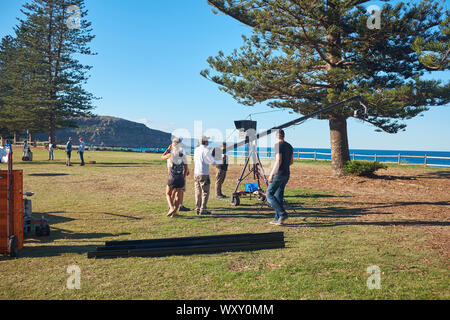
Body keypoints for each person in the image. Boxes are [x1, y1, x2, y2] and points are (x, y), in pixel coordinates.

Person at [266, 129, 293, 226]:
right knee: (278, 196)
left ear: (277, 136)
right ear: (283, 135)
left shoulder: (278, 145)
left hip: (279, 174)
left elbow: (278, 160)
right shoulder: (289, 146)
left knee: (269, 194)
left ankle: (282, 214)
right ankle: (278, 219)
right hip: (286, 174)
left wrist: (271, 174)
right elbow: (291, 162)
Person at [161, 138, 189, 217]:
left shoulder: (170, 155)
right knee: (178, 195)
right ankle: (174, 213)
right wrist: (183, 177)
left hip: (172, 177)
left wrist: (167, 149)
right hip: (180, 177)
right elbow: (186, 168)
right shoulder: (183, 155)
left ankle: (171, 208)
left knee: (168, 194)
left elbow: (162, 157)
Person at [193, 136, 217, 215]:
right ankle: (203, 209)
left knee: (198, 191)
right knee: (205, 192)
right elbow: (213, 162)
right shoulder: (206, 150)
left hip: (196, 172)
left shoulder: (196, 149)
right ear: (205, 142)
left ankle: (197, 208)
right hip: (204, 174)